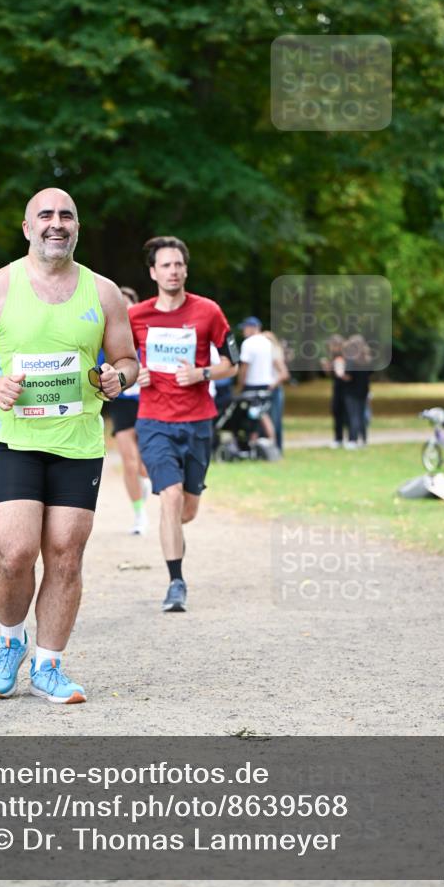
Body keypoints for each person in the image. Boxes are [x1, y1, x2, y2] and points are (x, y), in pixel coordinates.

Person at [0, 188, 138, 704]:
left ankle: (50, 665)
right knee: (15, 554)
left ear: (77, 227)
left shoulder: (102, 293)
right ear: (28, 227)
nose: (57, 223)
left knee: (66, 557)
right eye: (46, 216)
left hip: (78, 443)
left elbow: (126, 359)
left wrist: (116, 378)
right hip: (17, 439)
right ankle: (10, 640)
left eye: (67, 215)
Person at [128, 236, 238, 613]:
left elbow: (232, 363)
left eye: (178, 264)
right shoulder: (136, 316)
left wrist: (202, 372)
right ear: (153, 272)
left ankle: (174, 531)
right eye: (166, 265)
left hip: (198, 422)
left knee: (186, 509)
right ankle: (176, 581)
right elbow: (118, 362)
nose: (173, 271)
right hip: (154, 420)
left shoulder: (208, 311)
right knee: (170, 497)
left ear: (185, 269)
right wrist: (133, 375)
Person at [108, 286, 152, 535]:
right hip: (123, 401)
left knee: (144, 464)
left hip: (147, 400)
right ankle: (139, 515)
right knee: (129, 461)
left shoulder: (148, 332)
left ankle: (144, 483)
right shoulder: (108, 333)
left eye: (128, 303)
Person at [236, 317, 275, 445]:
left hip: (252, 384)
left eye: (245, 329)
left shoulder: (248, 343)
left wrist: (240, 385)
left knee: (257, 415)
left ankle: (262, 442)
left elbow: (244, 367)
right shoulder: (268, 342)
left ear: (252, 328)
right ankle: (263, 442)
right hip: (266, 383)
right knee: (259, 414)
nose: (243, 332)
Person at [342, 335, 372, 448]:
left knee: (353, 416)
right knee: (361, 415)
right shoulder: (367, 359)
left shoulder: (351, 360)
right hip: (363, 390)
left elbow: (348, 376)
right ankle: (363, 439)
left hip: (351, 391)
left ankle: (352, 440)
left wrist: (340, 374)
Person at [264, 330, 290, 453]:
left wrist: (272, 385)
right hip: (273, 390)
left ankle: (276, 449)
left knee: (275, 421)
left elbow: (284, 374)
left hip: (275, 390)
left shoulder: (274, 354)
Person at [321, 334, 348, 448]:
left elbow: (344, 374)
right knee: (336, 412)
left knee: (346, 413)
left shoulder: (346, 357)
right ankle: (338, 438)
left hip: (346, 388)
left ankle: (351, 438)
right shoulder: (334, 358)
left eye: (332, 346)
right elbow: (331, 374)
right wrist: (326, 367)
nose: (331, 348)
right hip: (337, 387)